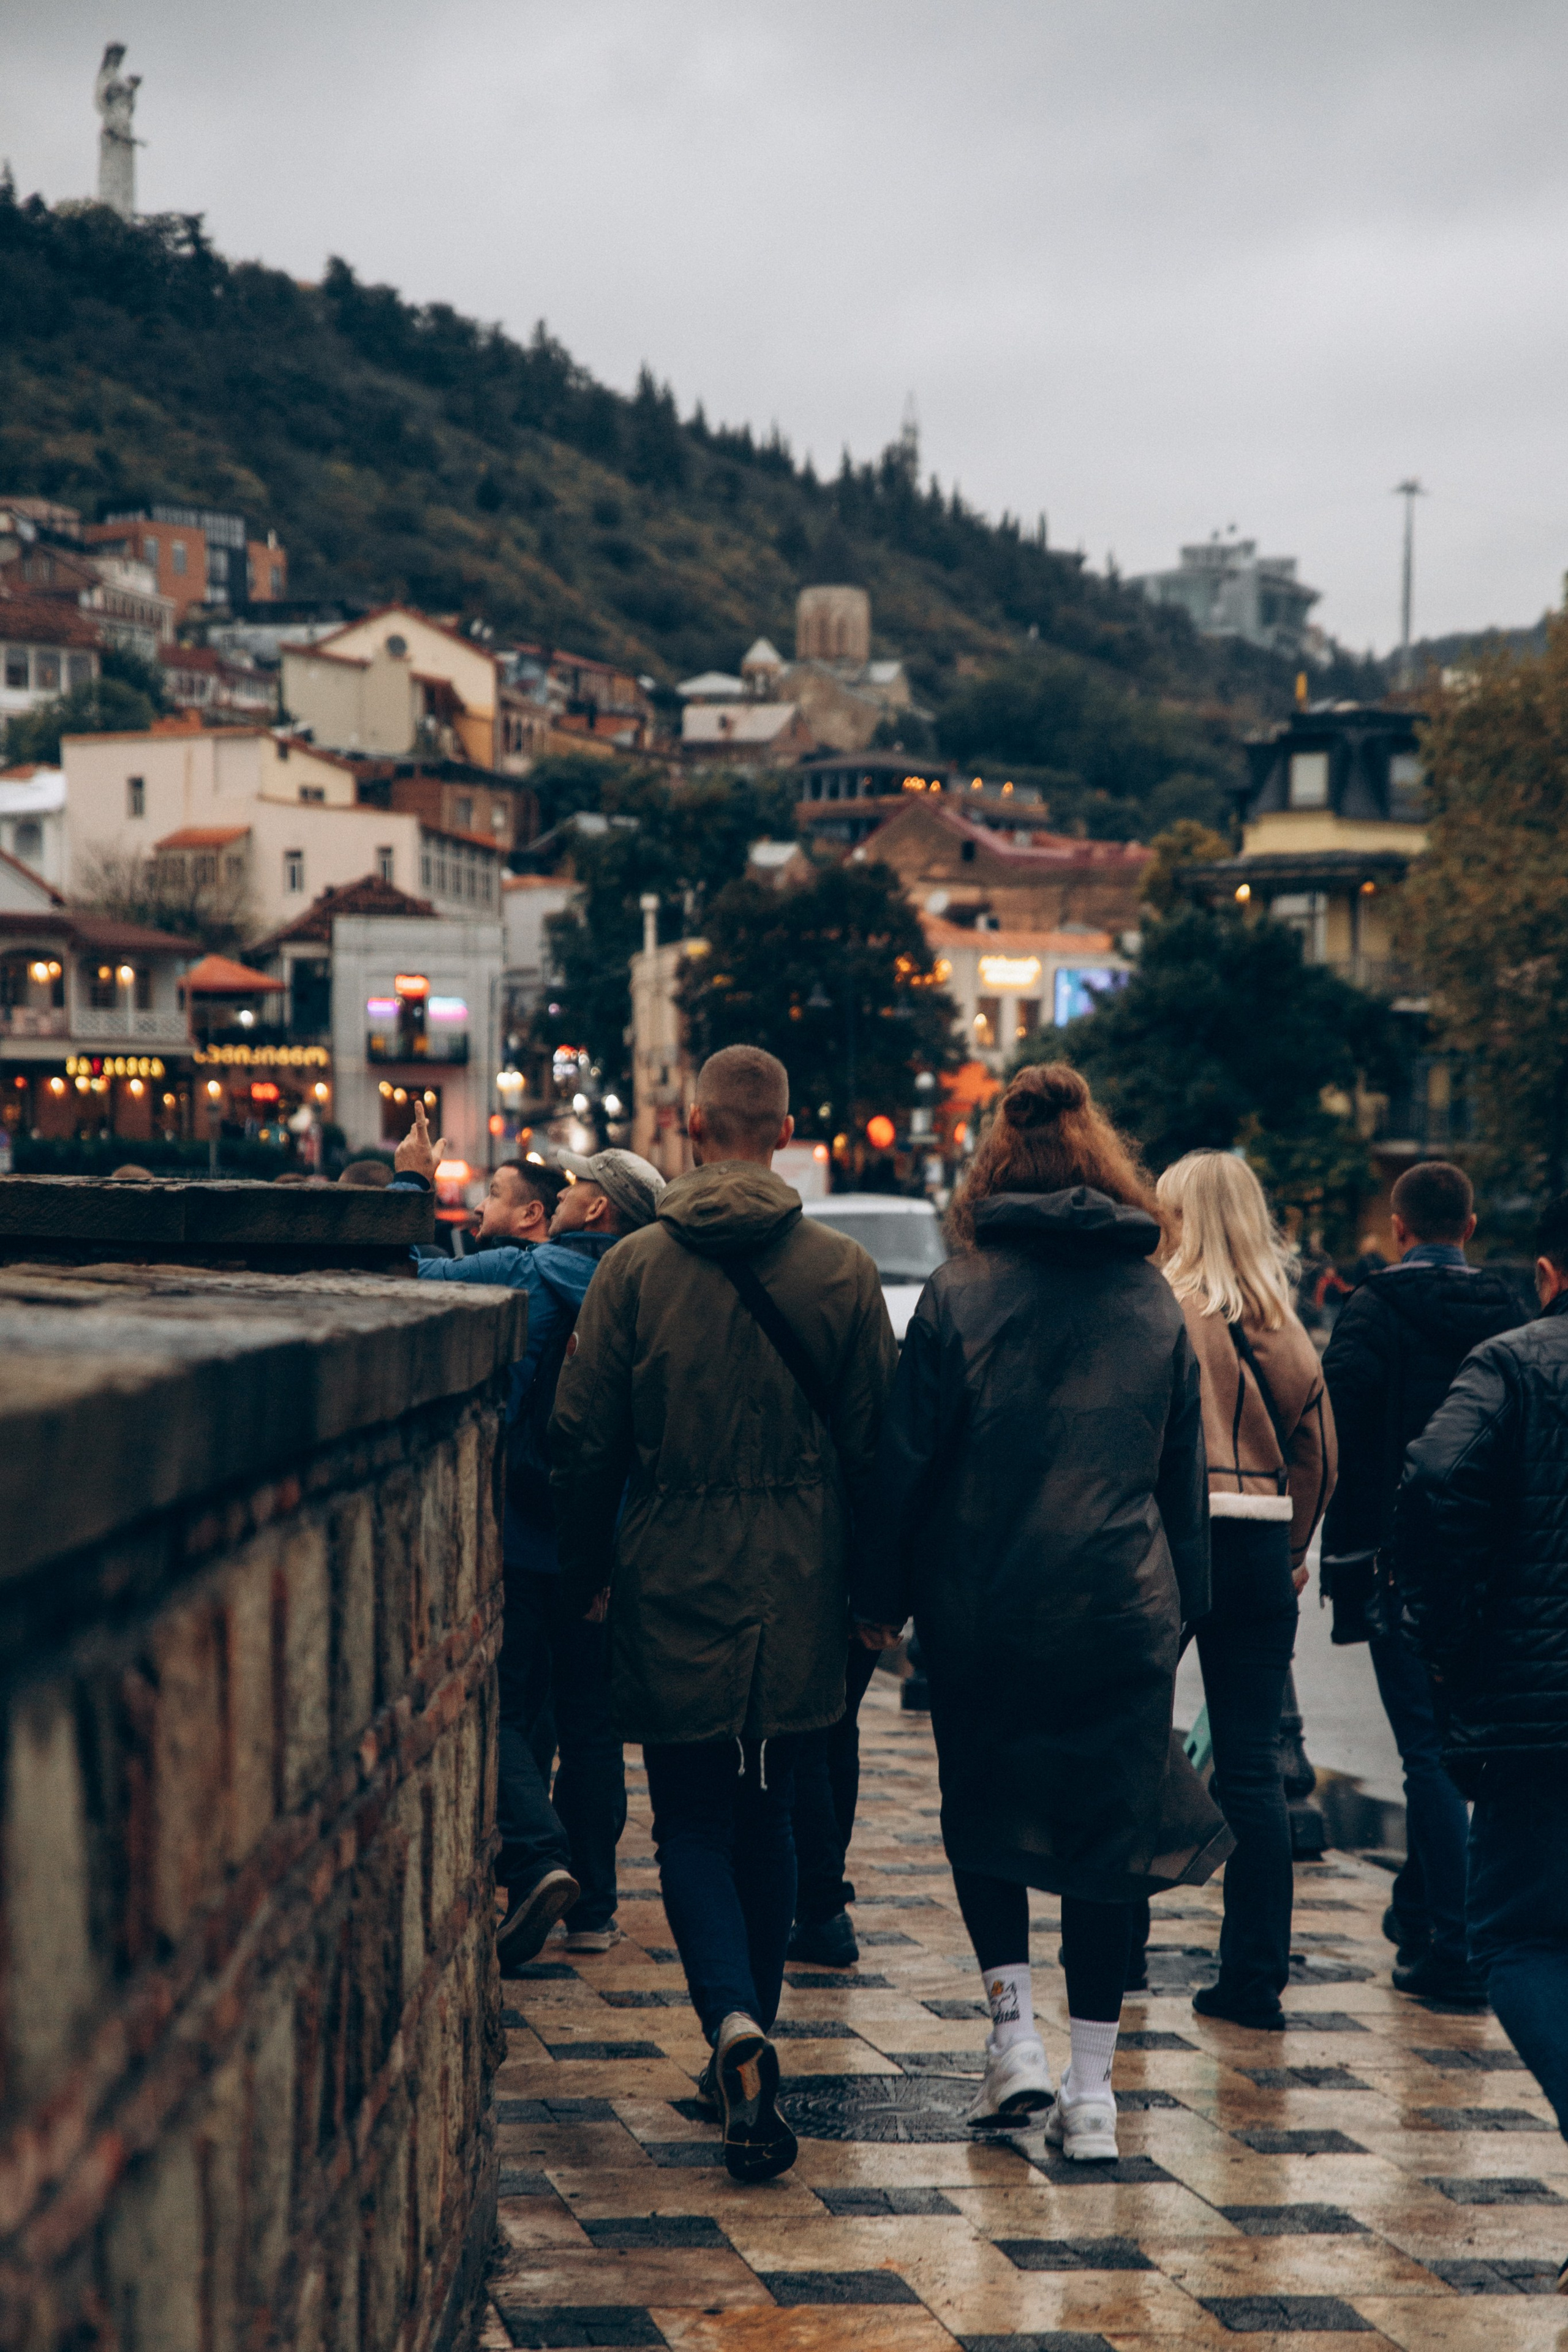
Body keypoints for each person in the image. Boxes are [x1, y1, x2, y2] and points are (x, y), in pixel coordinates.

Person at [855, 1065, 1219, 2158]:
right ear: (1102, 1159)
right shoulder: (1152, 1300)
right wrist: (1180, 1612)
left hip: (986, 1605)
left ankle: (1013, 2040)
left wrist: (881, 1599)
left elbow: (905, 1464)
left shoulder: (960, 1291)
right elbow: (1182, 1485)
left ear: (996, 1165)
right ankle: (1096, 2094)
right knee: (1108, 1844)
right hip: (1119, 1611)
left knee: (988, 1815)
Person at [551, 1046, 896, 2182]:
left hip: (671, 1570)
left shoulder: (635, 1270)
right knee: (777, 1816)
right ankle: (752, 2030)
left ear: (693, 1125)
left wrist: (588, 1570)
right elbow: (880, 1458)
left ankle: (731, 2030)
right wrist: (876, 1602)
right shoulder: (843, 1272)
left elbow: (586, 1442)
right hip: (803, 1577)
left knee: (692, 1817)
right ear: (786, 1130)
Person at [393, 1105, 665, 1957]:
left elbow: (409, 1278)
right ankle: (596, 1907)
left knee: (505, 1701)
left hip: (521, 1527)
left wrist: (412, 1177)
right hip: (610, 1539)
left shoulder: (533, 1268)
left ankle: (540, 1854)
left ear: (599, 1210)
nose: (570, 1189)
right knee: (591, 1724)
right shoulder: (656, 1289)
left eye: (580, 1184)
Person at [1392, 1191, 1568, 2183]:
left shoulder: (1513, 1364)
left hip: (1537, 1716)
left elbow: (1435, 1480)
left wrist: (1451, 1639)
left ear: (1547, 1278)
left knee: (1516, 1936)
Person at [1321, 1160, 1523, 2003]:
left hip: (1396, 1560)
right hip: (1489, 1564)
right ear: (1468, 1229)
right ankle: (1419, 1905)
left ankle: (1452, 1939)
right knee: (1454, 1739)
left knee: (1425, 1751)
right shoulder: (1508, 1311)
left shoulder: (1371, 1310)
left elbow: (1337, 1428)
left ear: (1398, 1230)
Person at [1157, 1150, 1336, 2032]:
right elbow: (1320, 1453)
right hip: (1262, 1547)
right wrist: (1294, 1542)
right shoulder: (1288, 1327)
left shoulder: (1161, 1312)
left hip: (1178, 1544)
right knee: (1253, 1769)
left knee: (1138, 1745)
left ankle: (1114, 1953)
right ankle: (1253, 1979)